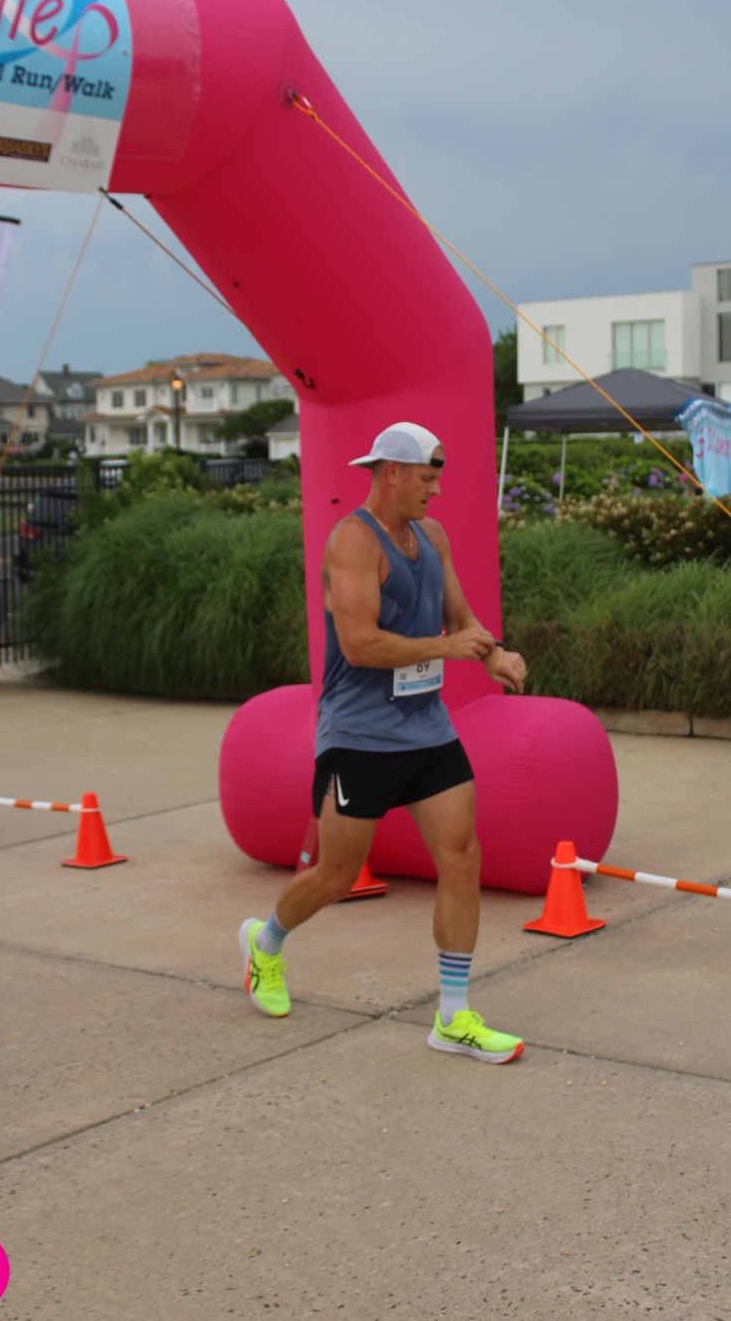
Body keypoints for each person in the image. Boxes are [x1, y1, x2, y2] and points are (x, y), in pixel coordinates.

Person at [239, 422, 529, 1064]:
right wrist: (447, 650)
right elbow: (360, 645)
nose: (436, 490)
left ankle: (452, 1017)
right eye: (426, 478)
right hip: (360, 735)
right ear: (391, 473)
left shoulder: (433, 536)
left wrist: (492, 654)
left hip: (426, 728)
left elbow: (460, 618)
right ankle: (266, 941)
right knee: (336, 877)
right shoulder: (352, 540)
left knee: (462, 856)